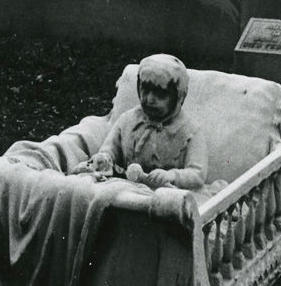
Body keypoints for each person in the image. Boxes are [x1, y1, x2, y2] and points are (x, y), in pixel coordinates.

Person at [71, 53, 207, 190]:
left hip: (167, 192)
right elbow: (110, 149)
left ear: (179, 96)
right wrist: (105, 157)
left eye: (160, 93)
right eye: (145, 90)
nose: (150, 99)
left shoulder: (189, 131)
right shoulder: (127, 120)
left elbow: (198, 174)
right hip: (125, 188)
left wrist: (172, 176)